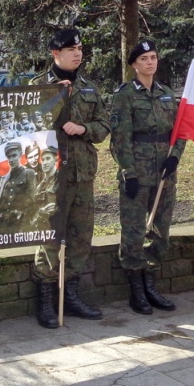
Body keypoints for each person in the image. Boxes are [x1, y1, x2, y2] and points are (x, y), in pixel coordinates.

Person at [30, 29, 111, 329]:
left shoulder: (89, 87)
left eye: (79, 48)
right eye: (70, 49)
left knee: (80, 237)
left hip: (83, 174)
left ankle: (71, 295)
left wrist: (85, 129)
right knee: (50, 235)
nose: (77, 53)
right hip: (51, 176)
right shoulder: (38, 86)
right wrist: (55, 99)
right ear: (55, 53)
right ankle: (45, 298)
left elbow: (103, 124)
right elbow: (28, 124)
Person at [109, 40, 185, 314]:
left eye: (153, 57)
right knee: (133, 230)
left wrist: (175, 156)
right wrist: (128, 172)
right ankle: (136, 290)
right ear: (134, 65)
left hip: (164, 172)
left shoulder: (166, 93)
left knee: (160, 230)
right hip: (137, 172)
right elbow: (120, 139)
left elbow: (181, 130)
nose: (150, 62)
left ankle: (151, 284)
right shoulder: (125, 95)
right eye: (144, 59)